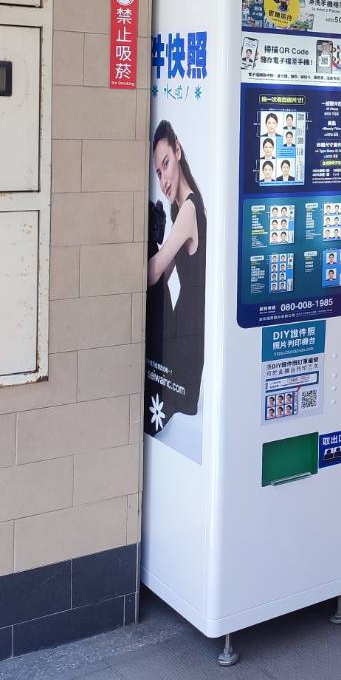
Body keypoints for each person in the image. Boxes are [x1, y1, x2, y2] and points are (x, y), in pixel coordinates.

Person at [145, 120, 208, 448]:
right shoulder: (179, 211)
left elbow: (155, 272)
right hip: (186, 327)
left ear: (178, 151)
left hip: (189, 335)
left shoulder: (189, 209)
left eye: (166, 164)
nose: (163, 179)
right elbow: (166, 272)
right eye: (158, 172)